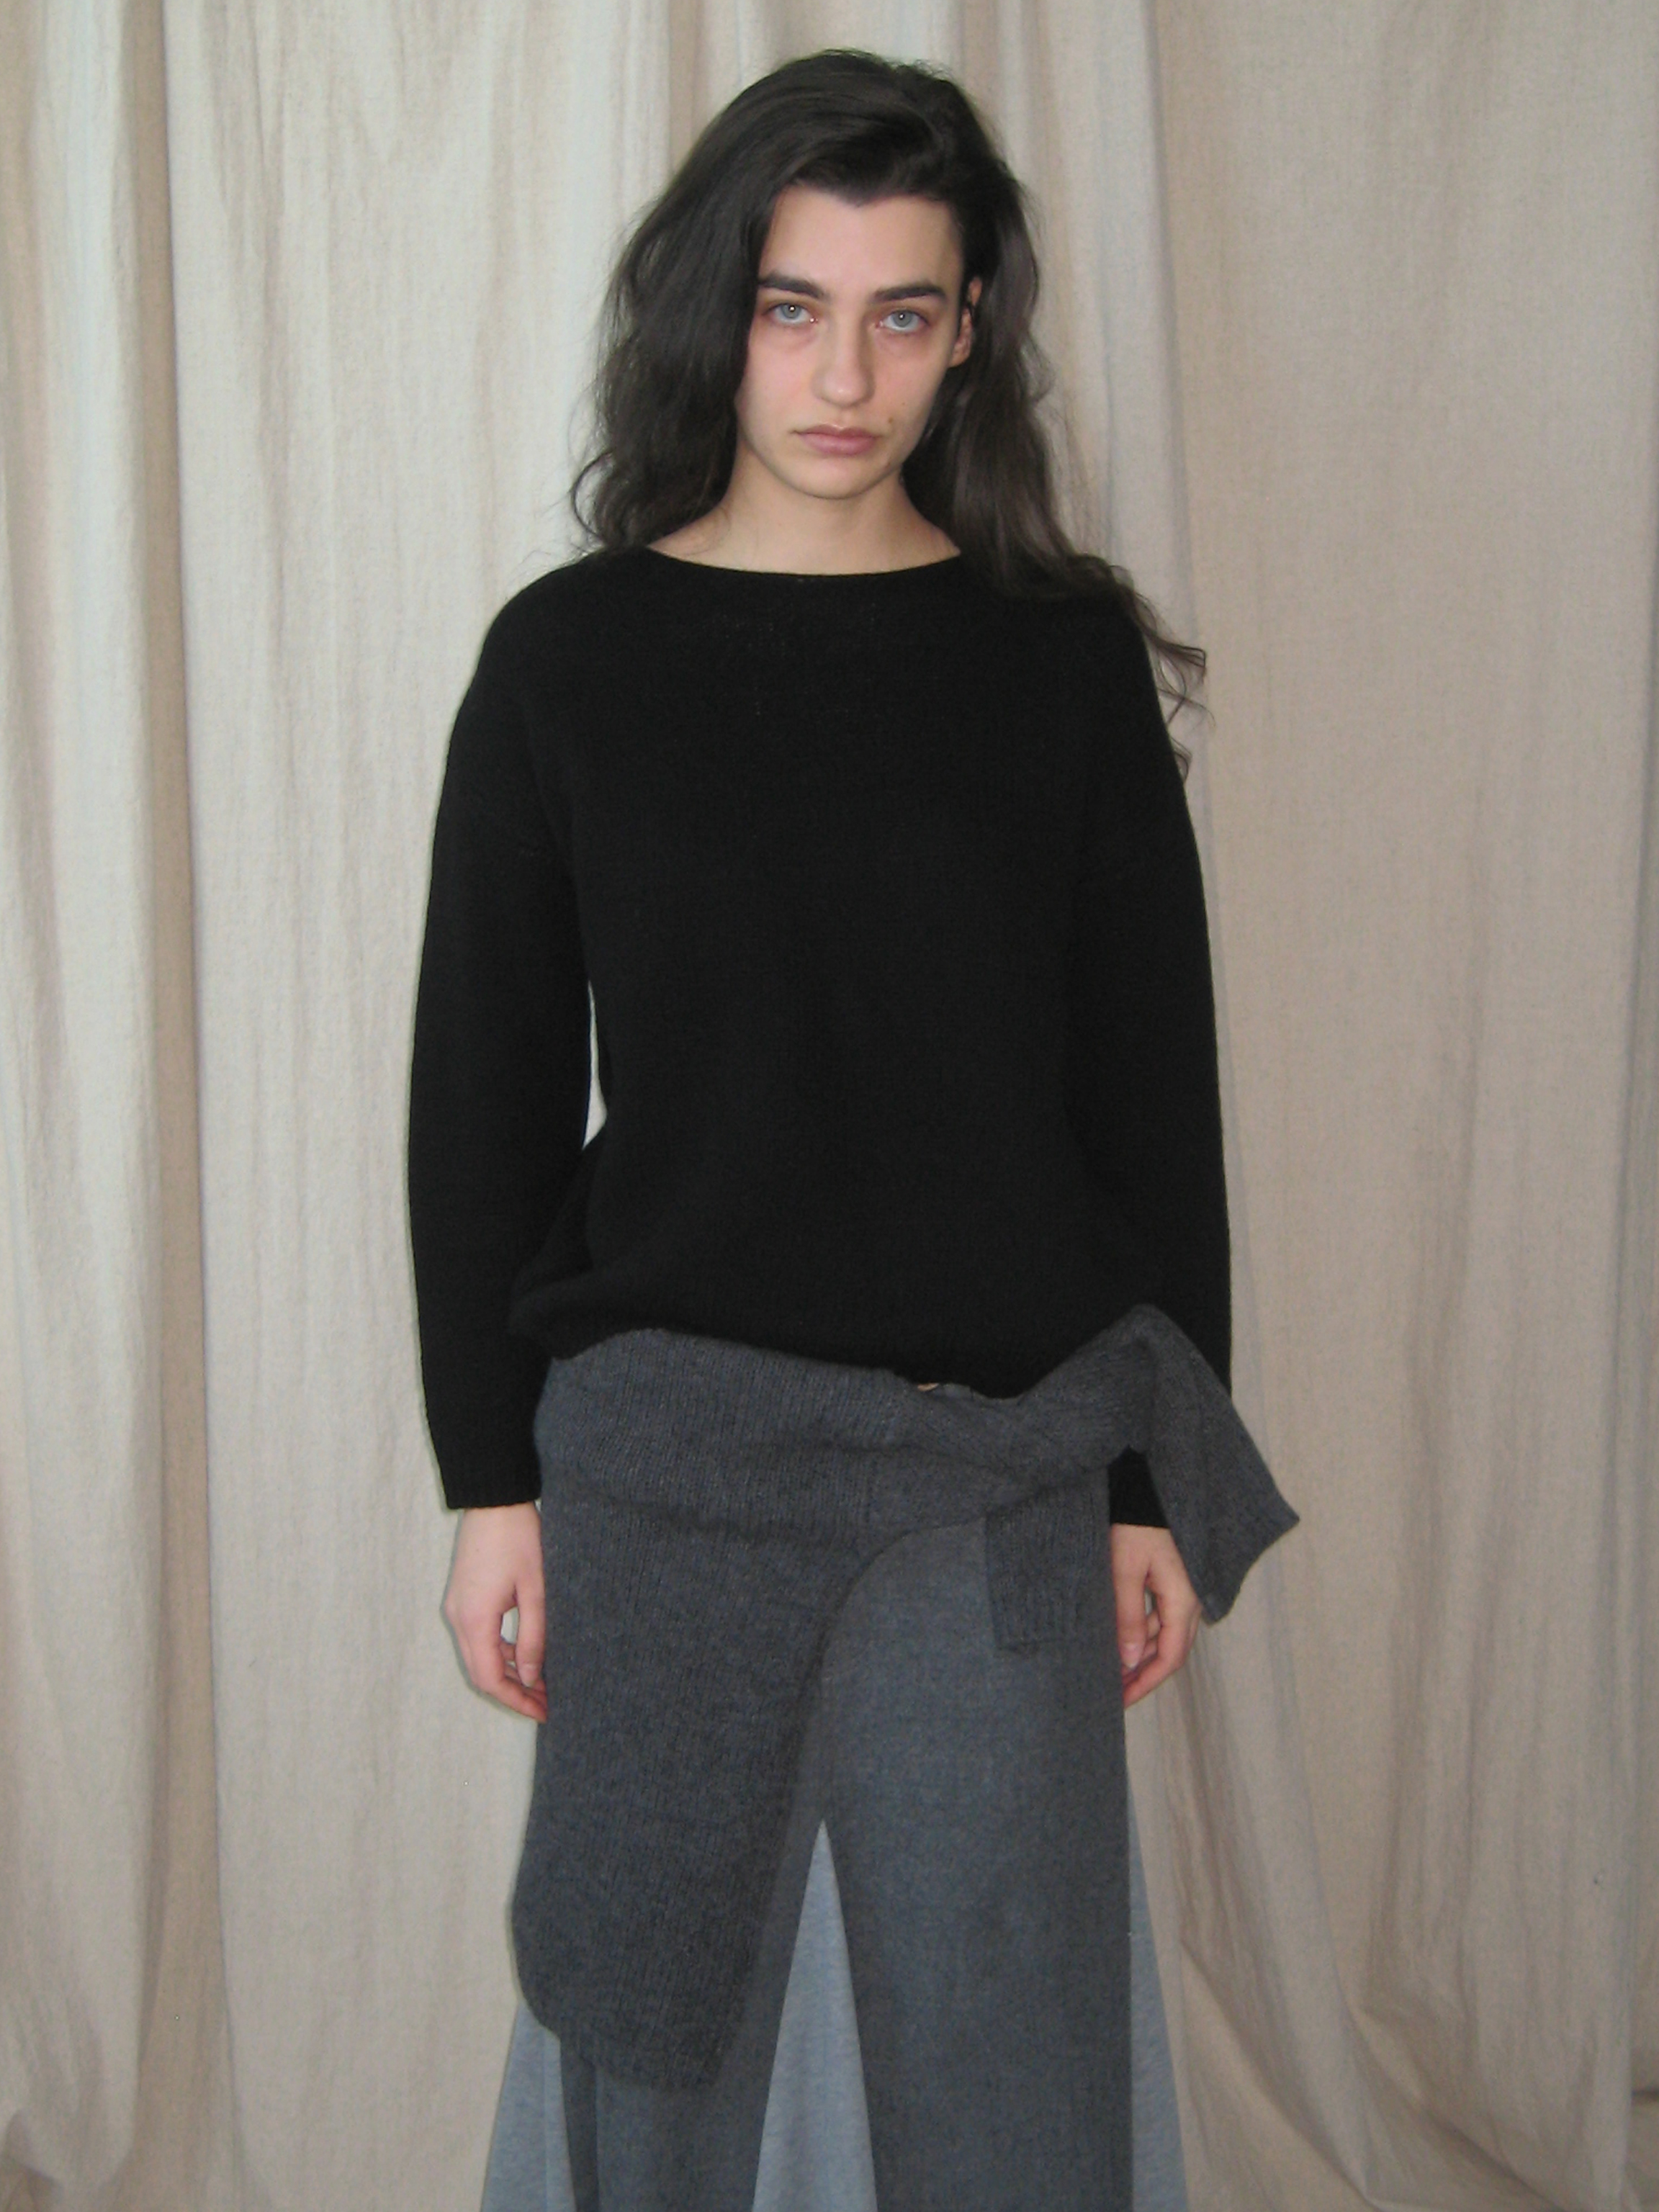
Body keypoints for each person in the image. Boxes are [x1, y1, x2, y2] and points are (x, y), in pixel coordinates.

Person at [408, 48, 1294, 2212]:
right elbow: (482, 1097)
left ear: (971, 328)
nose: (842, 375)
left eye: (903, 314)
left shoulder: (1054, 667)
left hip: (992, 1467)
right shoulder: (569, 664)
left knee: (1008, 2054)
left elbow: (1148, 1089)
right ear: (716, 310)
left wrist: (1147, 1479)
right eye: (792, 307)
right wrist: (491, 1483)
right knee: (651, 2047)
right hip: (666, 1462)